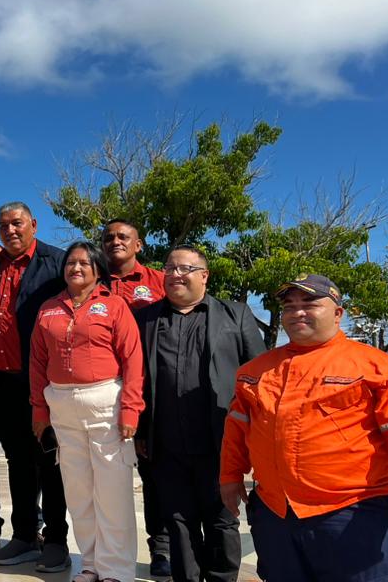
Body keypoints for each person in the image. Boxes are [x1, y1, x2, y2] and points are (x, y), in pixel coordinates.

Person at [220, 274, 388, 581]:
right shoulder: (254, 371)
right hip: (275, 513)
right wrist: (229, 476)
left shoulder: (377, 367)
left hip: (354, 512)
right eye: (289, 306)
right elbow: (237, 428)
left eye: (309, 303)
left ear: (337, 313)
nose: (297, 312)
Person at [133, 246, 265, 582]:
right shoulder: (146, 319)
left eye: (185, 268)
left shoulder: (235, 315)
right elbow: (137, 380)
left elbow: (260, 377)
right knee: (178, 521)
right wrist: (138, 431)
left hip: (220, 442)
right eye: (169, 268)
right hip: (165, 444)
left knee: (221, 520)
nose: (175, 274)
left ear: (204, 276)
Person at [30, 241, 144, 582]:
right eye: (70, 263)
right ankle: (92, 564)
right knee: (78, 492)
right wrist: (39, 410)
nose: (75, 268)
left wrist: (131, 409)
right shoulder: (48, 308)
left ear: (97, 269)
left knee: (111, 491)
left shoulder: (114, 306)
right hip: (62, 406)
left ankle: (117, 570)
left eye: (83, 263)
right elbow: (37, 362)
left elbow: (133, 359)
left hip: (105, 403)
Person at [0, 202, 69, 571]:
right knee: (17, 461)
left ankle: (57, 540)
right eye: (2, 226)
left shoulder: (56, 262)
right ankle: (25, 535)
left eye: (16, 224)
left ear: (33, 224)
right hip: (6, 382)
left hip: (44, 382)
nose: (10, 231)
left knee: (48, 462)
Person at [100, 219, 169, 576]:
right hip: (104, 390)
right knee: (105, 477)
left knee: (154, 473)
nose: (115, 242)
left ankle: (161, 548)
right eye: (108, 237)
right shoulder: (92, 281)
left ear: (139, 244)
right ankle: (104, 551)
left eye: (123, 236)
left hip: (152, 388)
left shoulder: (158, 281)